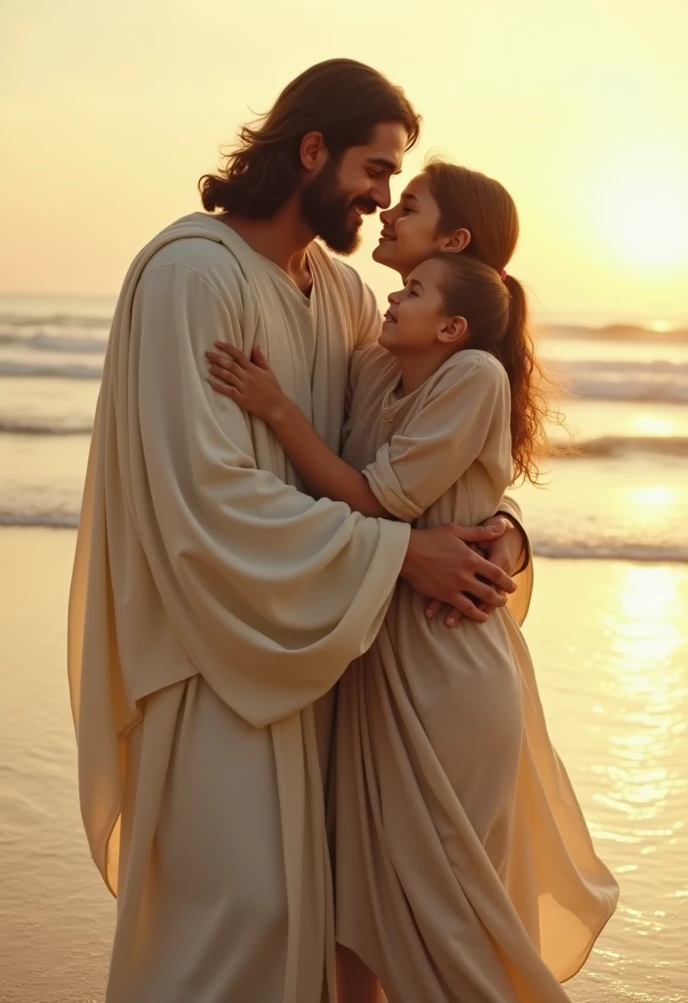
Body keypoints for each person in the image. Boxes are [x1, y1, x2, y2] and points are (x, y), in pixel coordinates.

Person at [67, 63, 531, 1003]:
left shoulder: (342, 297)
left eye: (397, 180)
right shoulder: (192, 276)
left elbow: (414, 453)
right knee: (240, 923)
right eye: (376, 167)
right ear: (311, 150)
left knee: (333, 935)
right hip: (215, 660)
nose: (383, 197)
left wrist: (505, 533)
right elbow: (202, 499)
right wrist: (401, 558)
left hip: (325, 656)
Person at [206, 163, 619, 1003]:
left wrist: (499, 535)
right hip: (373, 651)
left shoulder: (469, 370)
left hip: (441, 662)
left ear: (455, 253)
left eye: (412, 202)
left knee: (444, 920)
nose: (388, 209)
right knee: (356, 904)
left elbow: (390, 494)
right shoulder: (368, 348)